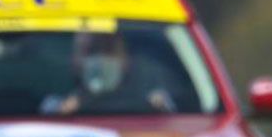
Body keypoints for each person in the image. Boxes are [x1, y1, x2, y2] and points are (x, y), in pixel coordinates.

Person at [41, 31, 174, 115]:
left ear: (126, 59)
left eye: (108, 50)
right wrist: (62, 114)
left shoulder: (153, 103)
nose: (101, 59)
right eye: (91, 51)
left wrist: (160, 110)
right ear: (74, 60)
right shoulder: (54, 107)